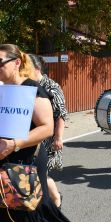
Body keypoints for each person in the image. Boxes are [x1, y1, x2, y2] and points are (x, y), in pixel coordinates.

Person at [0, 44, 75, 222]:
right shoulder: (1, 89)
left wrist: (14, 144)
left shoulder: (32, 89)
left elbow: (46, 128)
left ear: (16, 63)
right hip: (3, 159)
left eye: (0, 62)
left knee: (29, 212)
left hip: (27, 161)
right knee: (5, 211)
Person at [29, 54, 67, 208]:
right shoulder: (26, 86)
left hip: (47, 139)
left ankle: (56, 198)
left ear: (36, 68)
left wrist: (58, 138)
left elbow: (61, 114)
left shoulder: (52, 86)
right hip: (32, 137)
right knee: (34, 172)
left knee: (41, 173)